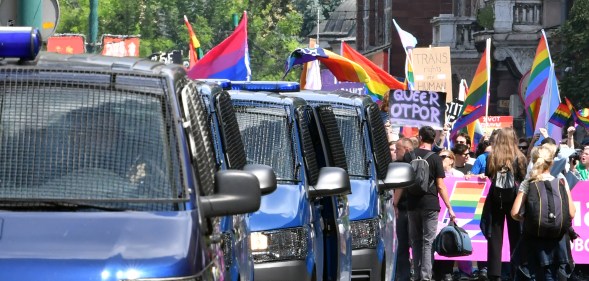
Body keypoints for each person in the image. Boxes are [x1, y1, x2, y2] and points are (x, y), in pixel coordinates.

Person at [395, 126, 456, 281]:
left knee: (415, 241)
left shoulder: (409, 156)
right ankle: (426, 277)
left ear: (420, 138)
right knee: (428, 242)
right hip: (430, 204)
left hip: (412, 205)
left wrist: (395, 203)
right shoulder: (436, 158)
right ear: (433, 139)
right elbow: (441, 186)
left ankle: (416, 275)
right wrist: (449, 207)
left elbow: (402, 183)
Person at [511, 145, 576, 280]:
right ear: (552, 162)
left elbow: (514, 212)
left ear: (533, 161)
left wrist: (527, 218)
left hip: (533, 243)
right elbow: (572, 213)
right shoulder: (562, 182)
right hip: (558, 245)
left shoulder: (528, 183)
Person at [481, 127, 527, 281]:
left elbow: (488, 175)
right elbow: (523, 177)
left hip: (496, 199)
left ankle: (494, 274)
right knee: (516, 236)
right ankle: (516, 271)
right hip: (515, 199)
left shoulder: (492, 156)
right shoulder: (520, 156)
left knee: (494, 237)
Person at [394, 138, 414, 281]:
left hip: (410, 210)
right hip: (403, 211)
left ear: (406, 149)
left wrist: (394, 204)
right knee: (402, 247)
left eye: (398, 149)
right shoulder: (394, 165)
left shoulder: (414, 164)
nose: (395, 151)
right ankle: (404, 276)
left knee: (416, 246)